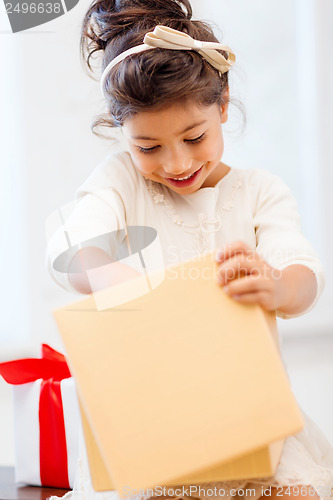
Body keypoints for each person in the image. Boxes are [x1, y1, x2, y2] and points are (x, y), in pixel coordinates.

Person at [47, 0, 333, 499]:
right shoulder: (121, 183)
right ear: (123, 135)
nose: (176, 163)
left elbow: (304, 279)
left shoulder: (259, 191)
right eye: (148, 147)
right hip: (153, 428)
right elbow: (71, 253)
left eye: (194, 137)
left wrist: (277, 285)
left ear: (222, 106)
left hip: (251, 422)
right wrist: (143, 297)